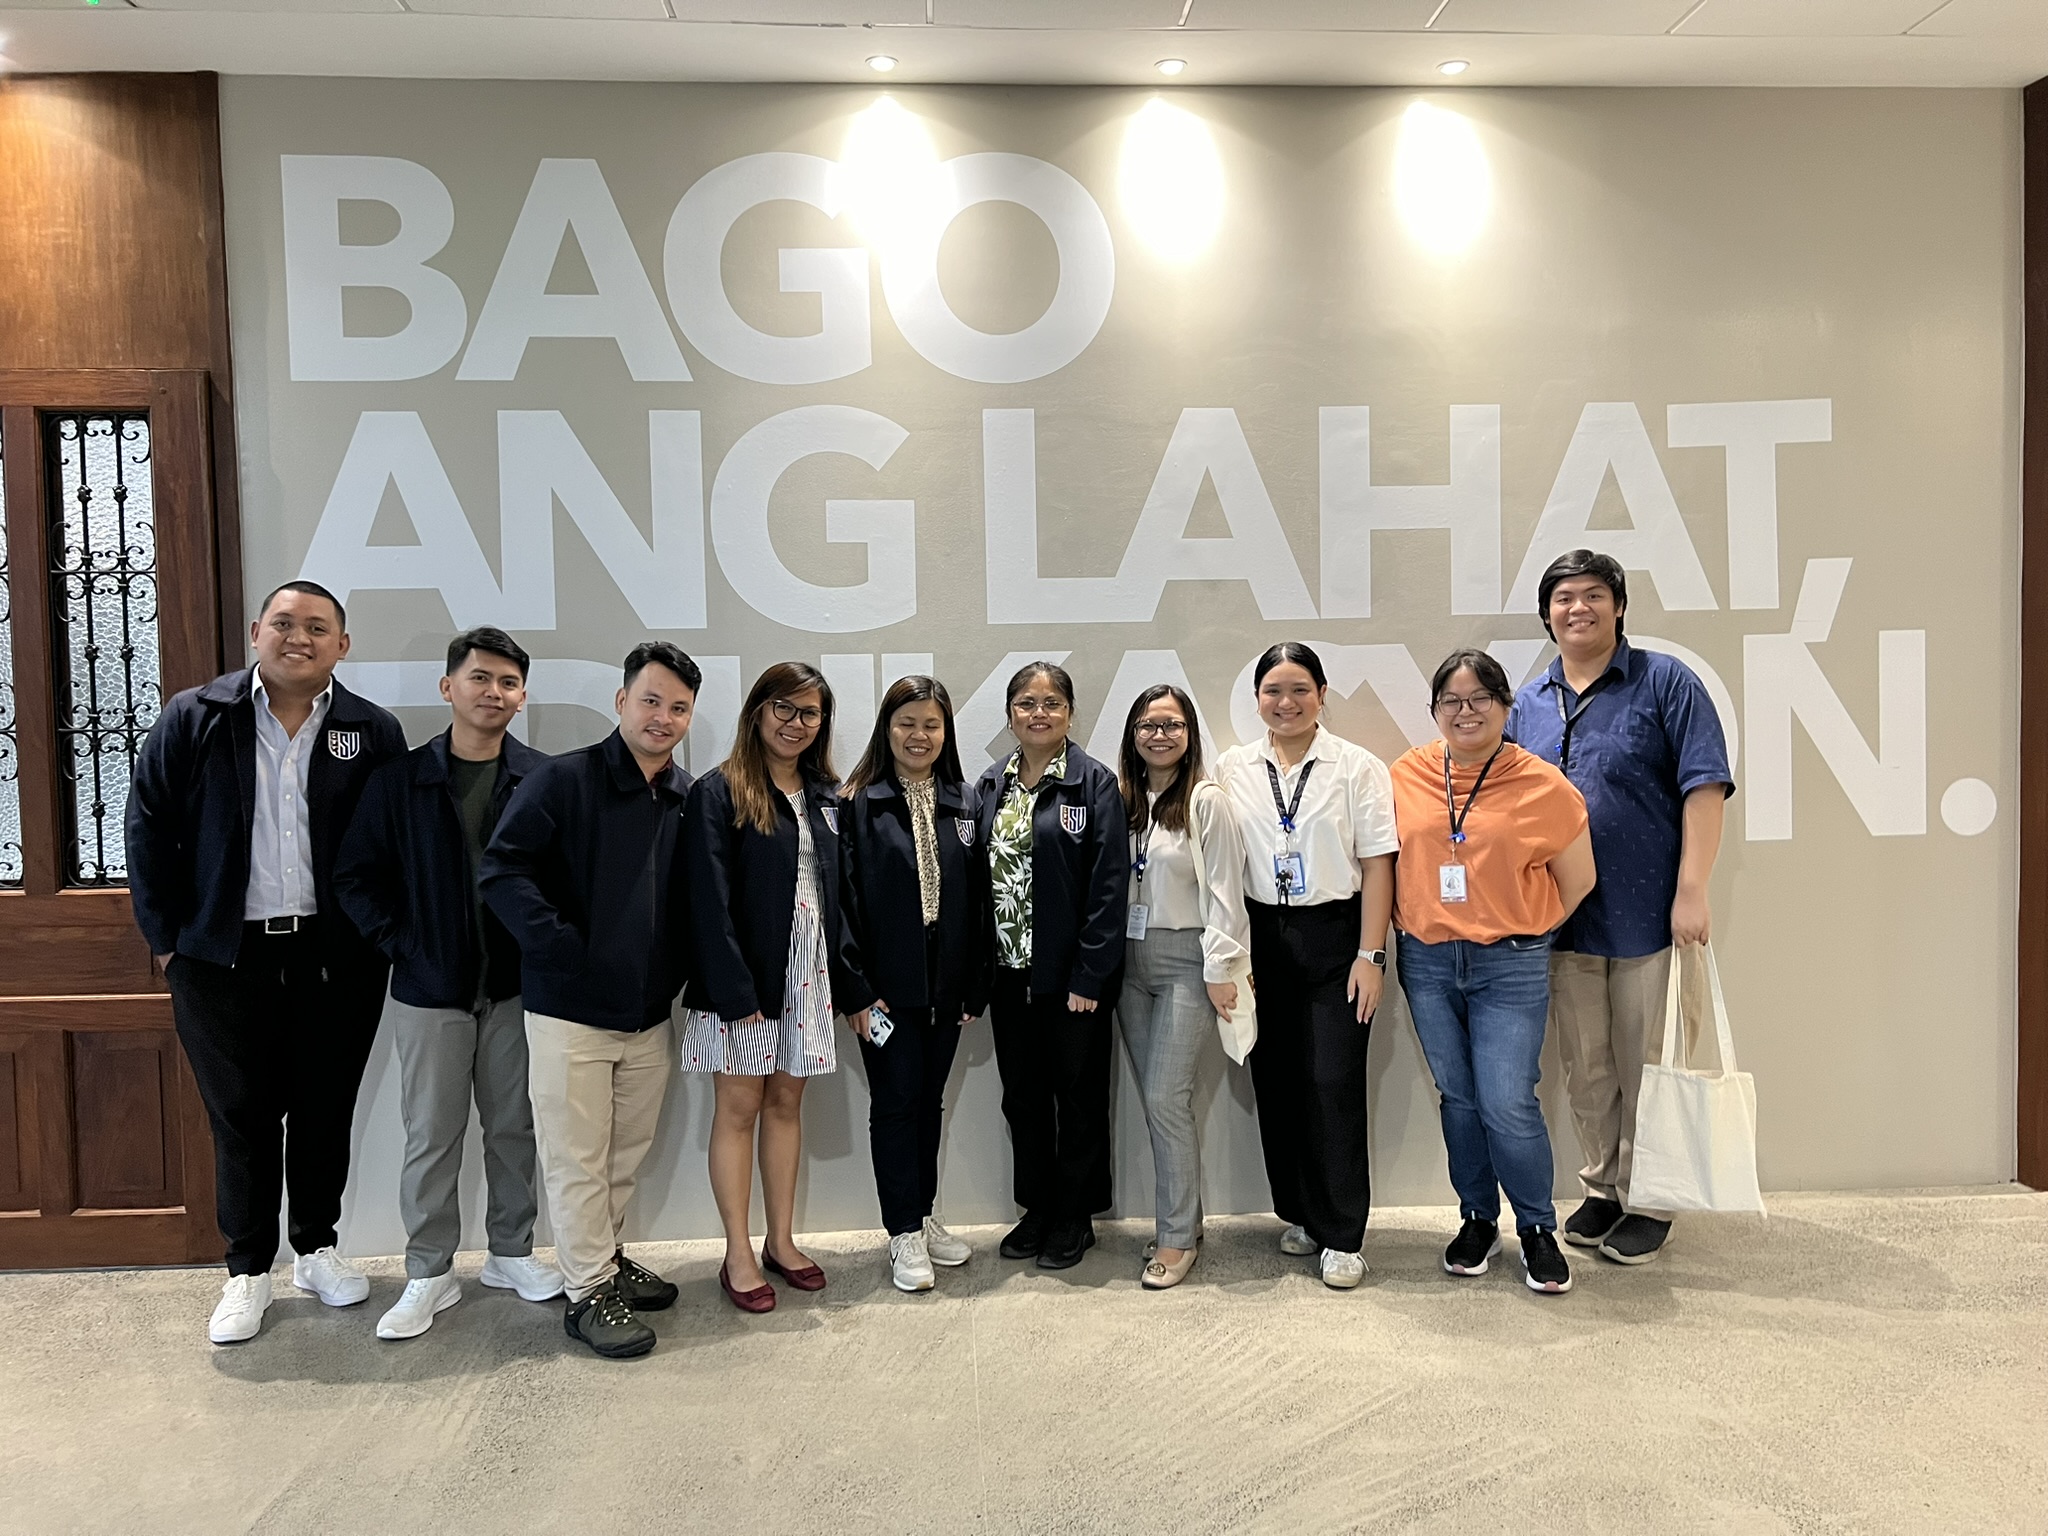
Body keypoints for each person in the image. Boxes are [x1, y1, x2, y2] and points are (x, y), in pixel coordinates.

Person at [125, 580, 406, 1345]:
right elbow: (147, 827)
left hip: (335, 957)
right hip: (222, 956)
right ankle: (247, 1271)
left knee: (324, 1109)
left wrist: (381, 937)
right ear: (256, 632)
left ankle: (316, 1250)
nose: (299, 637)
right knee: (241, 1118)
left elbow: (391, 846)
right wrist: (166, 939)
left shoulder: (369, 731)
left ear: (342, 646)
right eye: (284, 623)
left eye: (319, 627)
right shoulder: (196, 718)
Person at [1506, 549, 1735, 1266]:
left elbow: (1704, 786)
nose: (1578, 608)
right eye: (1564, 598)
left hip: (1647, 914)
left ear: (1619, 607)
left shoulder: (1667, 682)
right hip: (1562, 918)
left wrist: (1692, 889)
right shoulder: (1528, 701)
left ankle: (1653, 1198)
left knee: (1651, 1063)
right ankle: (1604, 1185)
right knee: (1588, 1066)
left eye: (1593, 595)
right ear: (1547, 615)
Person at [335, 627, 562, 1340]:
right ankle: (429, 1272)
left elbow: (565, 879)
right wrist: (404, 944)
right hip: (429, 992)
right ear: (449, 687)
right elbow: (356, 877)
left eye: (508, 683)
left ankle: (511, 1253)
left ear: (522, 697)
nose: (493, 693)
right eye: (480, 678)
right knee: (431, 1137)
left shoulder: (544, 779)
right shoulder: (400, 781)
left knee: (514, 1130)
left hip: (517, 989)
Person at [479, 642, 698, 1359]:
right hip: (570, 1012)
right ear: (621, 702)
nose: (662, 718)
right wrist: (561, 948)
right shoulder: (561, 782)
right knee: (577, 1159)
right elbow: (503, 871)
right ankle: (586, 1295)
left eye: (677, 707)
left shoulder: (684, 795)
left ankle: (602, 1262)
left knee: (624, 1156)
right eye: (651, 700)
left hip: (647, 1015)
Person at [1390, 649, 1597, 1296]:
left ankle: (1537, 1227)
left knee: (1508, 1101)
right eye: (1451, 700)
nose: (1466, 710)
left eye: (1481, 698)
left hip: (1509, 965)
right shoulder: (1407, 775)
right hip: (1425, 961)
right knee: (1459, 1098)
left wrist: (1524, 933)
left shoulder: (1541, 783)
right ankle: (1478, 1218)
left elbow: (1579, 880)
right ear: (1434, 712)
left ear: (1507, 708)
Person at [1215, 642, 1396, 1291]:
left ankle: (1344, 1233)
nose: (1286, 703)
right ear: (1257, 699)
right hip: (1261, 934)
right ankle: (1302, 1214)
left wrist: (1370, 956)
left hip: (1335, 934)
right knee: (1279, 1082)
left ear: (1322, 694)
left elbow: (1378, 865)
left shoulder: (1356, 768)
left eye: (1299, 689)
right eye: (1273, 692)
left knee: (1332, 1083)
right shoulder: (1234, 766)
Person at [680, 663, 860, 1313]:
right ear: (757, 711)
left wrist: (847, 984)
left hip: (807, 974)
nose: (795, 723)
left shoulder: (828, 796)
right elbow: (706, 901)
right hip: (743, 980)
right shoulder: (719, 790)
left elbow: (837, 897)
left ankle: (782, 1241)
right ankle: (737, 1252)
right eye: (783, 708)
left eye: (810, 713)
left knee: (787, 1104)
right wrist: (735, 992)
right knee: (738, 1109)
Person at [837, 676, 990, 1293]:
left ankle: (924, 1216)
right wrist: (856, 990)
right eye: (906, 723)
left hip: (947, 986)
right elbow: (841, 903)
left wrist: (974, 987)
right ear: (886, 728)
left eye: (931, 724)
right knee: (896, 1103)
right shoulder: (858, 801)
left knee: (930, 1102)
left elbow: (980, 901)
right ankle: (900, 1231)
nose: (919, 735)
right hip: (884, 988)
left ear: (945, 731)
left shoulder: (964, 801)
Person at [973, 661, 1126, 1271]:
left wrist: (1091, 976)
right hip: (1009, 978)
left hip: (1073, 983)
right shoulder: (989, 786)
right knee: (1024, 1098)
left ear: (1070, 713)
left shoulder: (1094, 784)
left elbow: (1109, 889)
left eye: (1052, 703)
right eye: (1027, 703)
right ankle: (1036, 1207)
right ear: (1010, 714)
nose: (1039, 713)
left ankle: (1075, 1214)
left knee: (1079, 1098)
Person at [1114, 684, 1250, 1291]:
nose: (1159, 735)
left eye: (1171, 724)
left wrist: (1222, 969)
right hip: (1127, 963)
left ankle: (1174, 1240)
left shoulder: (1206, 800)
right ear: (1132, 734)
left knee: (1169, 1097)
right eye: (1147, 725)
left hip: (1186, 961)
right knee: (1154, 1099)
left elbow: (1226, 892)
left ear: (1190, 732)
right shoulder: (1124, 799)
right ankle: (1184, 1222)